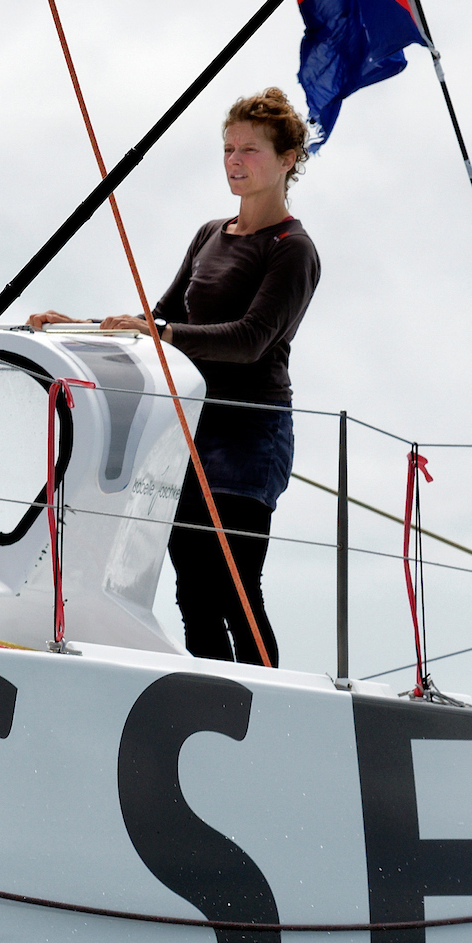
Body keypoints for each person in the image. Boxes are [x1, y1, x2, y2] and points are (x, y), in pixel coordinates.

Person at [29, 88, 319, 665]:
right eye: (228, 149)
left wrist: (158, 330)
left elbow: (250, 339)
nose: (235, 161)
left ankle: (268, 700)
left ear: (288, 159)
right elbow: (157, 322)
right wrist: (79, 325)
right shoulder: (210, 233)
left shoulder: (293, 249)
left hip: (249, 436)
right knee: (192, 592)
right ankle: (216, 696)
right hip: (191, 428)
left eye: (251, 150)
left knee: (236, 588)